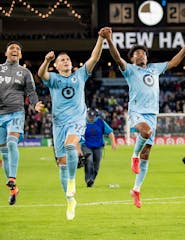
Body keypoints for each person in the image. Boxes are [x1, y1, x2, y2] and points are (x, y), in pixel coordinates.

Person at [103, 27, 185, 208]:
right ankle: (134, 156)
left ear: (146, 56)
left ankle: (136, 190)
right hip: (137, 112)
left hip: (152, 114)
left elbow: (174, 63)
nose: (140, 55)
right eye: (136, 54)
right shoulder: (129, 69)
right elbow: (116, 57)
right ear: (132, 59)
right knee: (145, 133)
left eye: (143, 53)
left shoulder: (155, 68)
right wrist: (109, 39)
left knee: (147, 155)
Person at [37, 28, 106, 220]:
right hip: (58, 123)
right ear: (57, 66)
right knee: (61, 164)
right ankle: (70, 200)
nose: (66, 61)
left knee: (70, 145)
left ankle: (73, 181)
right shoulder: (54, 79)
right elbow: (41, 74)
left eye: (67, 59)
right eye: (62, 60)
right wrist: (47, 61)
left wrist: (101, 38)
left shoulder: (80, 75)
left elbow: (94, 57)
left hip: (76, 121)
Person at [0, 41, 44, 205]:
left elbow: (31, 92)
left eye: (18, 49)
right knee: (4, 152)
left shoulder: (25, 72)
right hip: (0, 115)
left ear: (20, 55)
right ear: (6, 53)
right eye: (11, 48)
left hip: (16, 113)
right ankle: (13, 189)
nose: (15, 50)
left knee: (12, 143)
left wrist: (35, 104)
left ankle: (12, 177)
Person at [81, 108, 117, 187]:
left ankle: (92, 179)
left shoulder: (100, 122)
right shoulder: (82, 123)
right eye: (90, 116)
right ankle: (88, 179)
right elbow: (78, 135)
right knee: (89, 161)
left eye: (93, 117)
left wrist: (113, 142)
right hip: (86, 145)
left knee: (96, 165)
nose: (91, 118)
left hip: (98, 146)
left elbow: (110, 132)